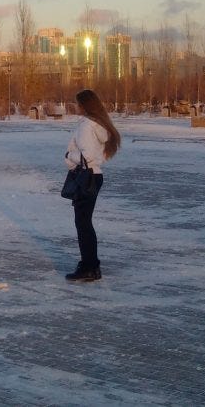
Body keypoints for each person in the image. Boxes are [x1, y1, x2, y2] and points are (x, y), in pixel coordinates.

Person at [64, 88, 122, 282]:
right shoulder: (99, 125)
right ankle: (89, 263)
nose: (76, 106)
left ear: (84, 105)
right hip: (94, 175)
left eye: (77, 103)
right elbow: (100, 156)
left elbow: (86, 155)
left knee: (83, 224)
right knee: (84, 223)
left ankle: (90, 266)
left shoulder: (86, 125)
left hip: (86, 177)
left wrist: (68, 156)